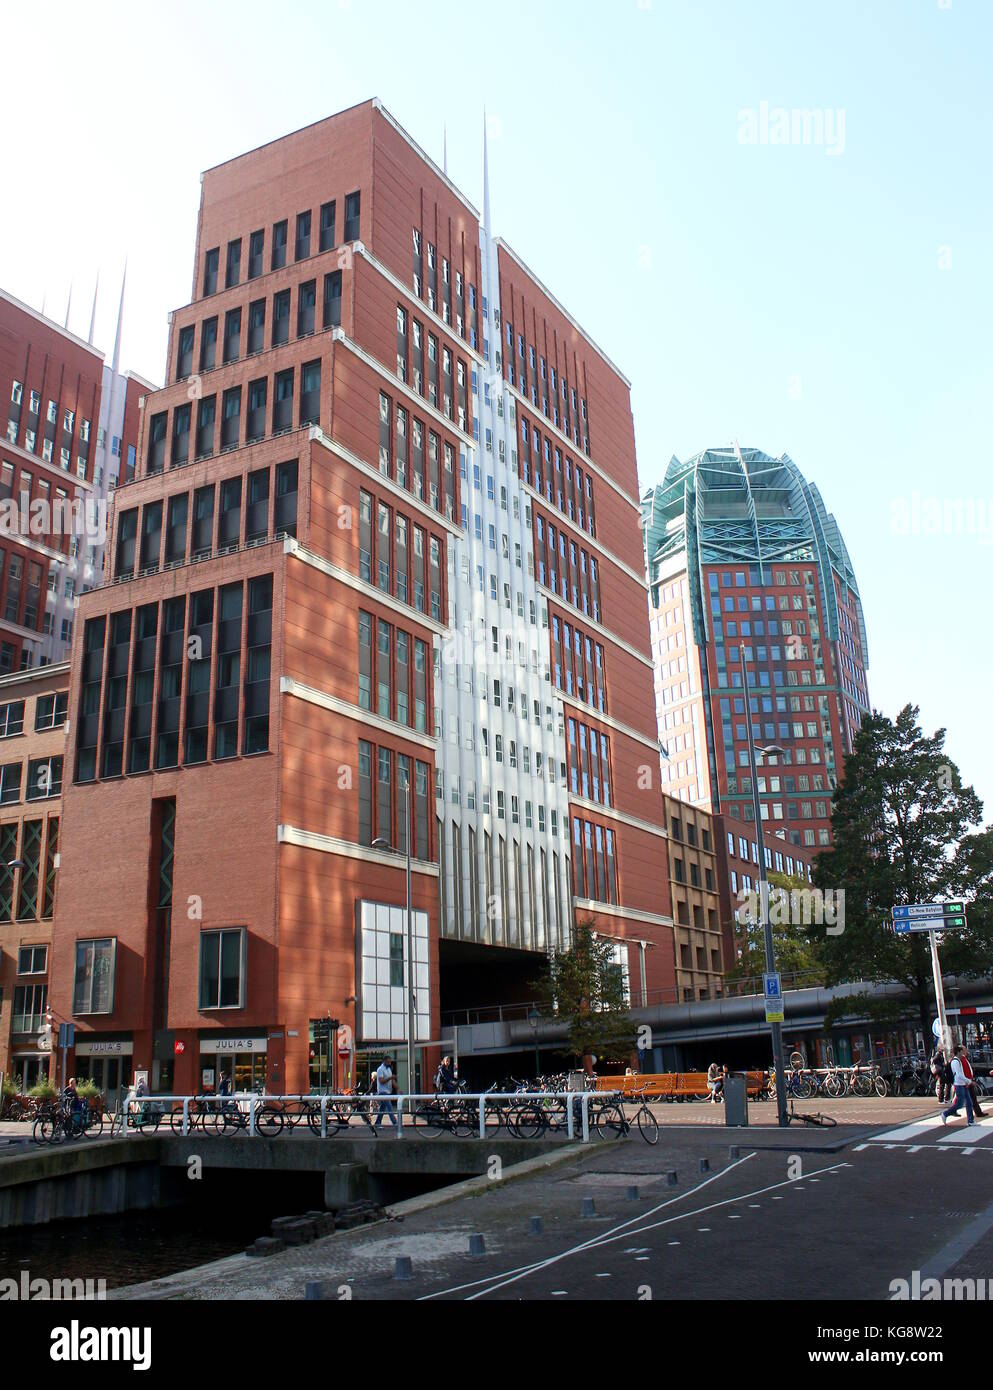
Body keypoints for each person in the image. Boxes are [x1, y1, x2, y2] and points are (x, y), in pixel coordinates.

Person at [941, 1046, 975, 1126]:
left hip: (962, 1084)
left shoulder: (958, 1060)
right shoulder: (955, 1061)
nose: (963, 1053)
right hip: (959, 1084)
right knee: (960, 1103)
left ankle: (971, 1121)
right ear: (959, 1052)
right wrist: (969, 1081)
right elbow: (959, 1075)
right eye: (961, 1051)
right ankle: (945, 1113)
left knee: (969, 1102)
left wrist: (966, 1081)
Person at [374, 1054, 398, 1128]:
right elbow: (381, 1081)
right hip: (382, 1091)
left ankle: (377, 1123)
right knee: (389, 1106)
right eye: (388, 1062)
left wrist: (398, 1088)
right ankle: (394, 1122)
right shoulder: (380, 1069)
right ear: (384, 1061)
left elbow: (392, 1081)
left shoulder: (388, 1069)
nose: (389, 1063)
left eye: (390, 1062)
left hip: (388, 1091)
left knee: (382, 1108)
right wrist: (390, 1078)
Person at [962, 1048, 985, 1119]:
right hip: (967, 1082)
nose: (967, 1052)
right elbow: (964, 1071)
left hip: (968, 1081)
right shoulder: (961, 1060)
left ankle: (978, 1112)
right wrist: (969, 1081)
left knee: (972, 1098)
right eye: (965, 1050)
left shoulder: (964, 1059)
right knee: (968, 1099)